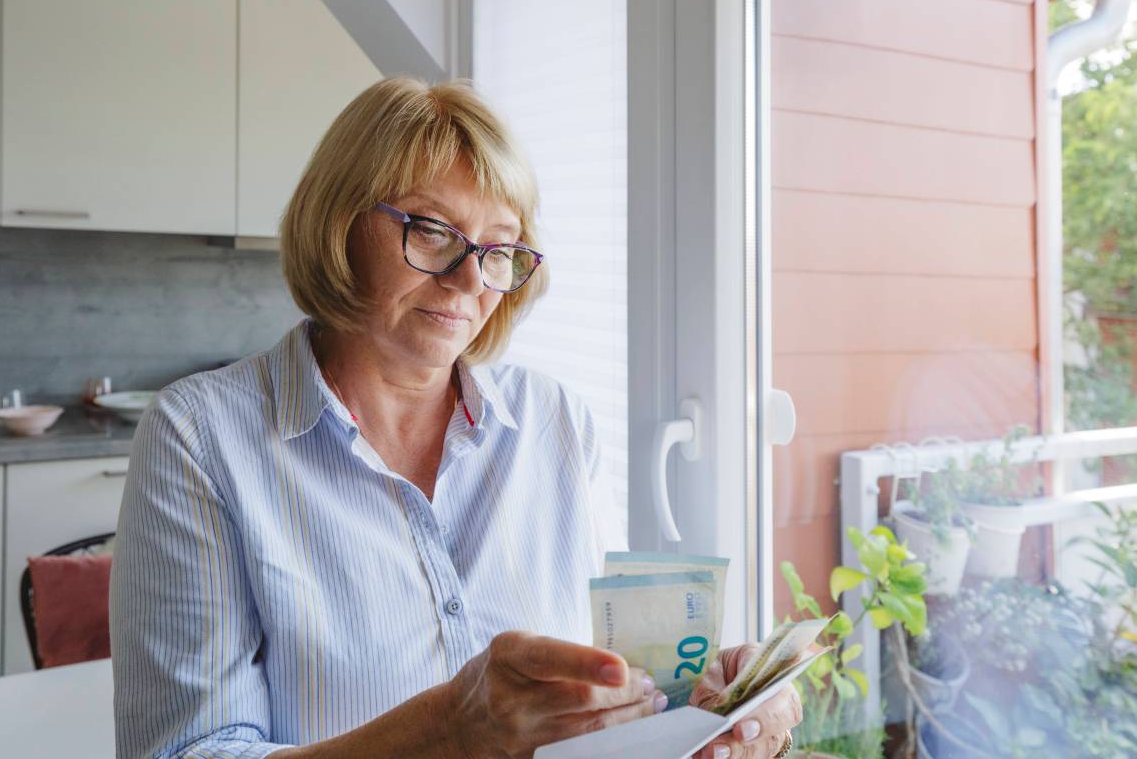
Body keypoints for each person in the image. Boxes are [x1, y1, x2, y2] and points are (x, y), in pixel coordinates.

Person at [110, 76, 800, 759]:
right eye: (434, 232)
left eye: (498, 249)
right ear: (339, 222)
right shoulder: (200, 437)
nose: (471, 280)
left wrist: (702, 705)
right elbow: (186, 752)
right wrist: (446, 730)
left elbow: (597, 687)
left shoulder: (556, 421)